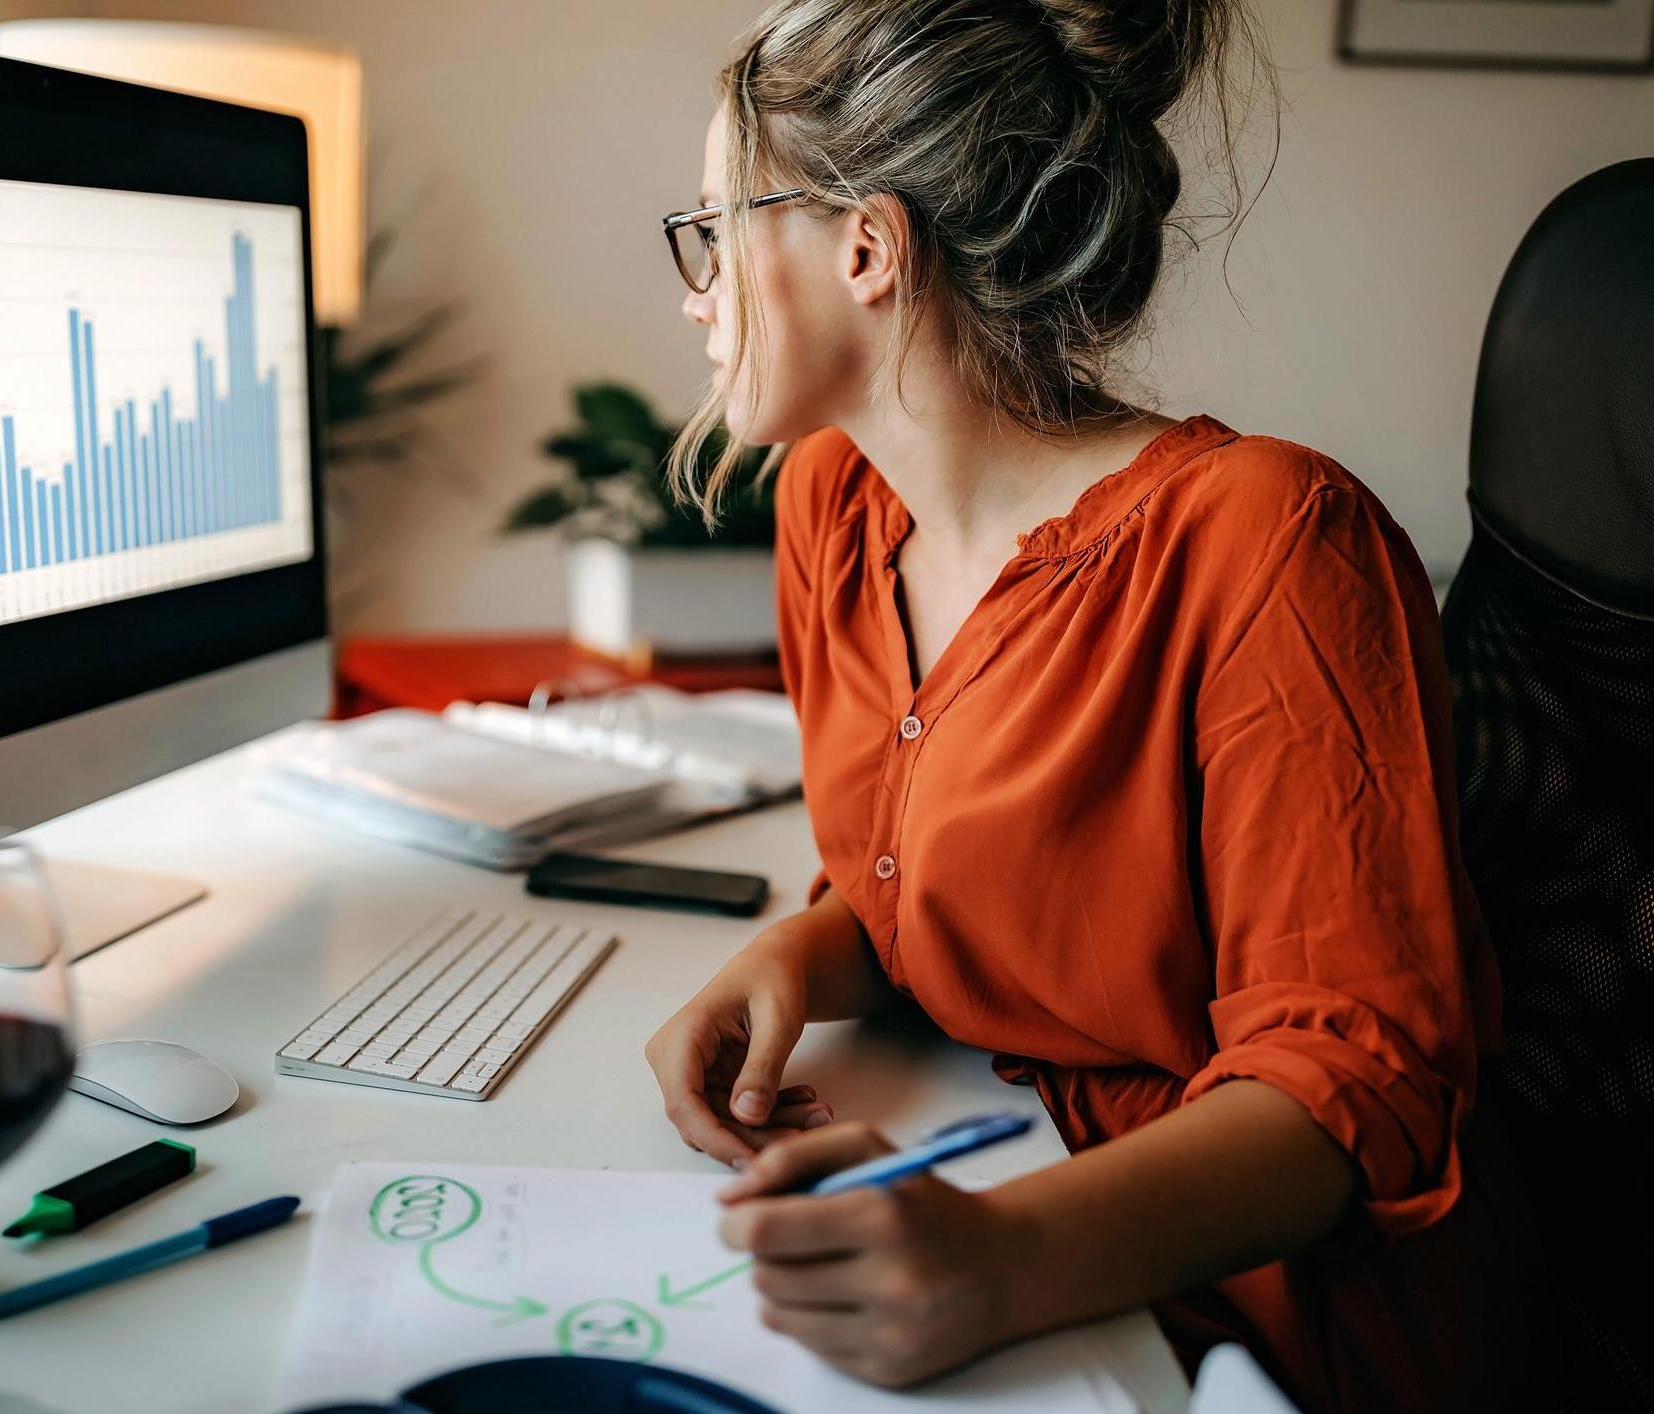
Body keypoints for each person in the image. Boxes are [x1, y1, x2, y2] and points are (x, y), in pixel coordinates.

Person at [643, 3, 1550, 1410]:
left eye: (712, 228)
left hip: (1257, 1322)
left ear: (866, 247)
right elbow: (948, 886)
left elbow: (1348, 1087)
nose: (696, 292)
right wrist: (798, 958)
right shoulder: (829, 503)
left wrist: (996, 1260)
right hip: (999, 1176)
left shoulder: (1268, 539)